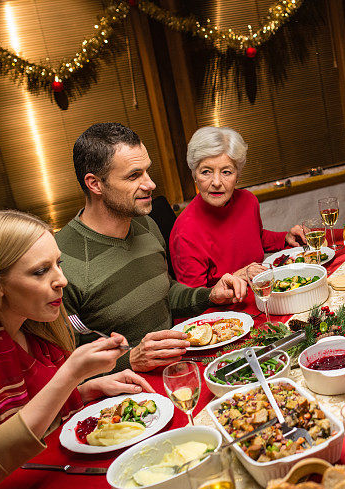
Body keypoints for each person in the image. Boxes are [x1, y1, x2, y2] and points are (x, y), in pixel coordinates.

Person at [0, 211, 153, 489]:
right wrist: (70, 374)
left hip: (49, 464)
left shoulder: (38, 318)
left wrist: (83, 390)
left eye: (59, 263)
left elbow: (37, 403)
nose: (62, 281)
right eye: (41, 271)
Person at [56, 123, 248, 373]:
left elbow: (165, 293)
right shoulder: (61, 262)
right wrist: (130, 360)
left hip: (181, 370)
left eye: (147, 171)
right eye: (134, 176)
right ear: (95, 184)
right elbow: (61, 369)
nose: (151, 184)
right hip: (127, 401)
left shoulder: (146, 225)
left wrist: (208, 295)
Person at [169, 127, 307, 287]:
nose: (216, 182)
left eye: (226, 172)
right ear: (194, 175)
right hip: (225, 310)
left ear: (238, 175)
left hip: (261, 292)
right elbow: (192, 300)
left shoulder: (248, 201)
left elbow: (254, 237)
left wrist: (285, 238)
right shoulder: (185, 232)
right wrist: (236, 277)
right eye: (206, 172)